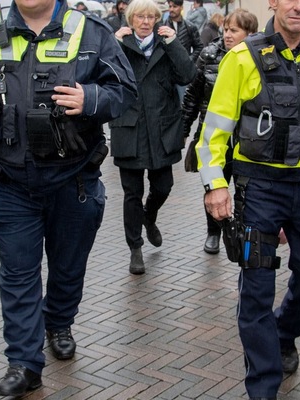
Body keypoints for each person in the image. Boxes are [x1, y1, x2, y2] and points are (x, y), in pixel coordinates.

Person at [0, 0, 137, 396]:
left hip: (74, 182)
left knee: (68, 268)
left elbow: (125, 91)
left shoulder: (92, 31)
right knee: (18, 274)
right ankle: (24, 363)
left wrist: (90, 98)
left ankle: (59, 322)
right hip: (10, 183)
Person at [197, 0, 300, 397]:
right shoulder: (242, 57)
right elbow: (214, 129)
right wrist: (215, 184)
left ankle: (283, 334)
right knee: (256, 291)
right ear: (273, 2)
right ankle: (263, 387)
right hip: (259, 190)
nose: (298, 6)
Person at [110, 0, 197, 275]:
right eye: (140, 17)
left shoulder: (165, 43)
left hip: (162, 129)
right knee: (131, 194)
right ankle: (135, 248)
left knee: (163, 186)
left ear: (157, 19)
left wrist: (174, 43)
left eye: (151, 17)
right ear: (130, 19)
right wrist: (114, 44)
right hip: (130, 128)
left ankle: (149, 216)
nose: (146, 22)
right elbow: (103, 74)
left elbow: (187, 75)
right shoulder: (120, 44)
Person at [181, 8, 257, 254]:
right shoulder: (209, 54)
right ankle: (213, 232)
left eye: (234, 30)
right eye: (226, 29)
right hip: (215, 135)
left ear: (250, 33)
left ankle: (242, 233)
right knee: (214, 183)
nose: (227, 35)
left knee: (245, 190)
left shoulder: (259, 58)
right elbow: (193, 95)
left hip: (248, 139)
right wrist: (183, 131)